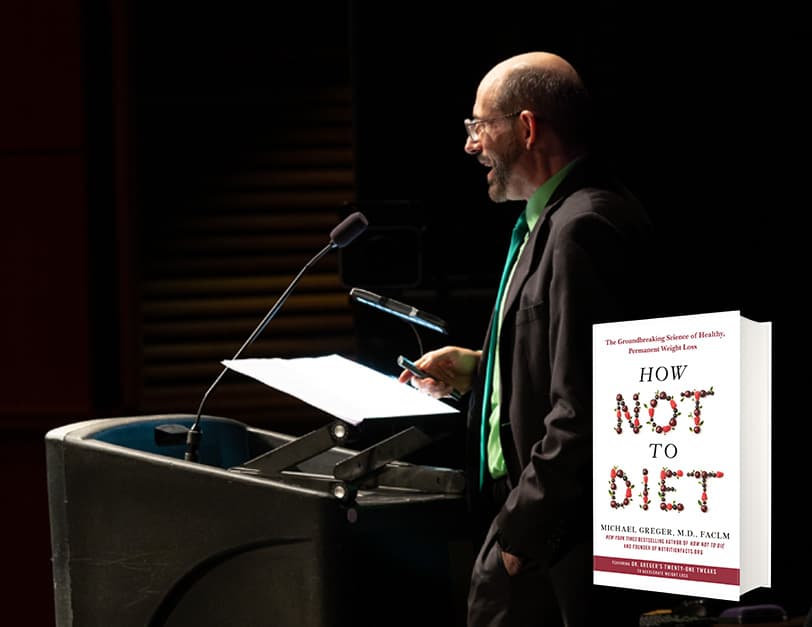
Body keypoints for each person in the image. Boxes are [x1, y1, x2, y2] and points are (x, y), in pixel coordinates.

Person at [398, 51, 660, 626]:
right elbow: (566, 361)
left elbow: (592, 407)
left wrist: (521, 535)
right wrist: (483, 367)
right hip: (539, 532)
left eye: (478, 126)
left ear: (526, 127)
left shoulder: (584, 227)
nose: (471, 145)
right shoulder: (551, 220)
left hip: (556, 545)